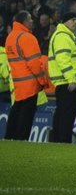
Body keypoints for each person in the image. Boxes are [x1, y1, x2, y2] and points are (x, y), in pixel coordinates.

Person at [4, 10, 49, 140]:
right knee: (26, 114)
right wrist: (42, 81)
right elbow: (34, 64)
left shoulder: (10, 38)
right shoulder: (28, 38)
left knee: (16, 110)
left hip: (17, 83)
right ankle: (21, 139)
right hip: (30, 83)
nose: (32, 21)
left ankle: (9, 137)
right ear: (23, 21)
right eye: (30, 19)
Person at [48, 12, 76, 143]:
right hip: (67, 82)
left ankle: (58, 140)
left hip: (65, 81)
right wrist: (71, 79)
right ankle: (63, 140)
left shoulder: (67, 36)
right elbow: (63, 60)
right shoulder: (63, 37)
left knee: (62, 112)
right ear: (65, 21)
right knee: (67, 114)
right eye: (73, 20)